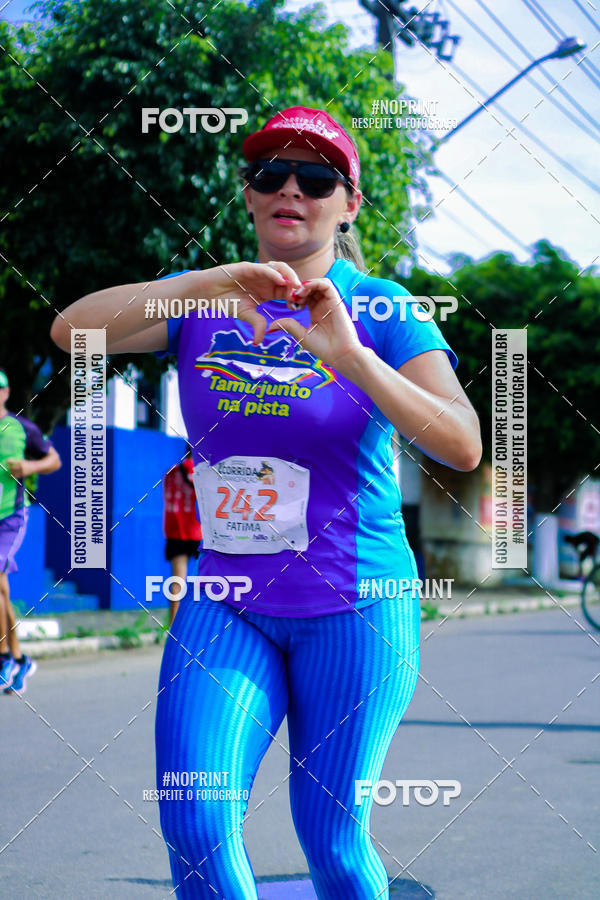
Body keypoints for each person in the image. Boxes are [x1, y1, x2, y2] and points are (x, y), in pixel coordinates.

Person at [51, 106, 482, 899]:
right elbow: (72, 330)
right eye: (270, 173)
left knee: (333, 841)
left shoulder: (382, 307)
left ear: (348, 205)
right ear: (248, 194)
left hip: (356, 605)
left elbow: (461, 443)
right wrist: (208, 283)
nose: (291, 188)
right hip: (228, 601)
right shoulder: (201, 306)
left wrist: (352, 358)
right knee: (196, 821)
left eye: (315, 178)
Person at [0, 368, 62, 694]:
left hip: (11, 517)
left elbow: (54, 460)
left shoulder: (22, 428)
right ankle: (19, 659)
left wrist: (29, 466)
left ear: (5, 392)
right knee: (2, 590)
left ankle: (3, 659)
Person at [163, 448, 202, 625]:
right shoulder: (199, 472)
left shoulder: (171, 472)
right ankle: (197, 626)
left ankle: (173, 627)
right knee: (204, 583)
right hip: (196, 531)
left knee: (177, 582)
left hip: (175, 531)